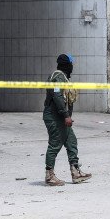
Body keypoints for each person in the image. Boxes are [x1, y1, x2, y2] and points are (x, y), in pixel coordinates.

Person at [43, 54, 92, 185]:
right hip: (55, 118)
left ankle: (75, 172)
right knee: (54, 145)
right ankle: (49, 176)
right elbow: (58, 97)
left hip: (59, 117)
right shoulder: (58, 78)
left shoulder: (62, 77)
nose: (72, 67)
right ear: (67, 65)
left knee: (71, 141)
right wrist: (66, 115)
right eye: (71, 64)